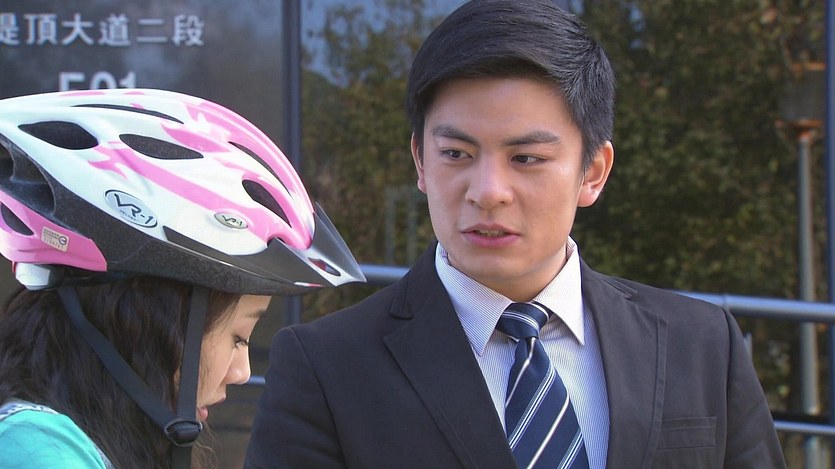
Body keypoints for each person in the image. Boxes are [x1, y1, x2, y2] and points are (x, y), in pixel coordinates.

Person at [246, 0, 786, 468]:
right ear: (420, 160)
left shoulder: (702, 345)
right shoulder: (328, 366)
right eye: (456, 154)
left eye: (526, 158)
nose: (488, 192)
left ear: (593, 172)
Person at [0, 88, 364, 469]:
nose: (242, 372)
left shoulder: (69, 442)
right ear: (149, 317)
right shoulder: (38, 457)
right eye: (237, 337)